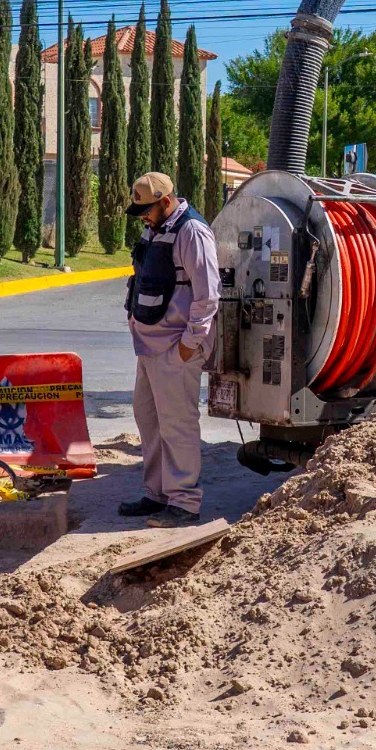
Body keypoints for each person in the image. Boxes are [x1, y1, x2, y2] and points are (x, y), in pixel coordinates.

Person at [119, 171, 221, 529]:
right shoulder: (156, 227)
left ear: (166, 202)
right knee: (148, 419)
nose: (143, 217)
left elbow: (208, 296)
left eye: (147, 210)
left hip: (175, 347)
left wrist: (188, 346)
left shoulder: (192, 232)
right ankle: (157, 493)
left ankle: (184, 502)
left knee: (177, 425)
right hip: (149, 347)